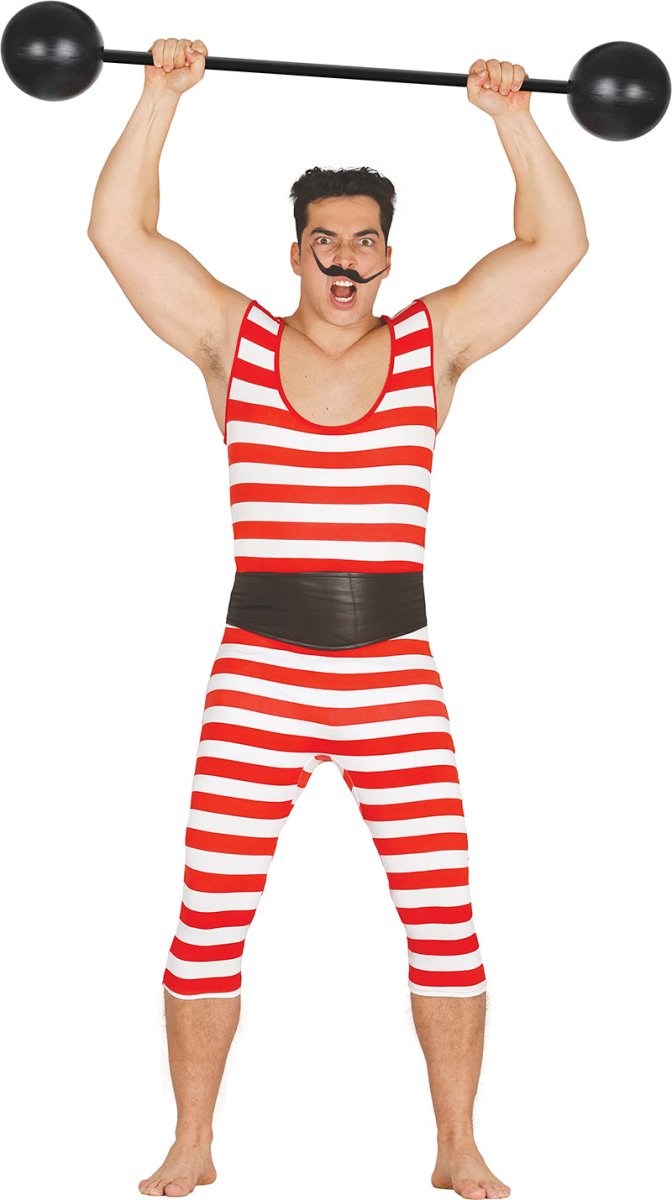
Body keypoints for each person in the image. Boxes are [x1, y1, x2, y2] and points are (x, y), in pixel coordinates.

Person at [87, 36, 589, 1200]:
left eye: (366, 241)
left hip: (393, 673)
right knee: (208, 914)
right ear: (298, 251)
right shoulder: (235, 340)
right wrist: (158, 99)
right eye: (327, 240)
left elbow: (556, 245)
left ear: (387, 256)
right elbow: (119, 232)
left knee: (445, 916)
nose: (346, 260)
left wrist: (512, 120)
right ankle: (192, 1143)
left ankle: (458, 1148)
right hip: (259, 671)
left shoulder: (431, 344)